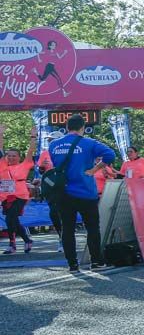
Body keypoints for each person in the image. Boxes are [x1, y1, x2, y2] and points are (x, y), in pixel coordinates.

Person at [48, 114, 116, 272]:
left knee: (67, 229)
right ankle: (96, 262)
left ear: (67, 127)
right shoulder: (89, 143)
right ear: (83, 128)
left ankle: (72, 264)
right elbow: (110, 154)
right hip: (86, 191)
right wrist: (94, 170)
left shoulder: (54, 145)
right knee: (92, 228)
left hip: (63, 192)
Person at [0, 126, 38, 254]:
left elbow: (31, 150)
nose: (11, 158)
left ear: (19, 157)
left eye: (14, 156)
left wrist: (33, 136)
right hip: (5, 196)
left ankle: (12, 245)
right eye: (9, 156)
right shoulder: (2, 165)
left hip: (20, 196)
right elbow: (0, 148)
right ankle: (27, 240)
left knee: (10, 218)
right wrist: (1, 134)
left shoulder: (24, 165)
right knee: (12, 220)